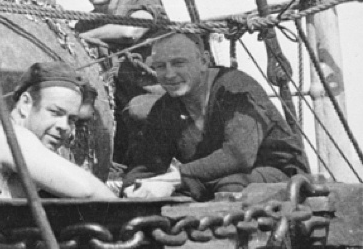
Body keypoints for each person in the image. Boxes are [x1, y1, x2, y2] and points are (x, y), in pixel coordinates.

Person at [123, 33, 308, 201]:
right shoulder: (165, 108)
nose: (169, 74)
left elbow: (239, 156)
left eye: (179, 63)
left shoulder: (235, 88)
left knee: (229, 185)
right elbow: (147, 165)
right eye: (160, 67)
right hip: (210, 179)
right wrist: (133, 187)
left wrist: (175, 177)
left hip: (279, 176)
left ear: (204, 61)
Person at [0, 62, 116, 199]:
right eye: (55, 112)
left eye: (71, 119)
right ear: (25, 104)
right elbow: (85, 190)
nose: (64, 126)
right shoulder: (6, 135)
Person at [74, 0, 168, 166]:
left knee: (139, 109)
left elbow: (130, 31)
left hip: (164, 101)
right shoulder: (83, 26)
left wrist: (83, 38)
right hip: (121, 118)